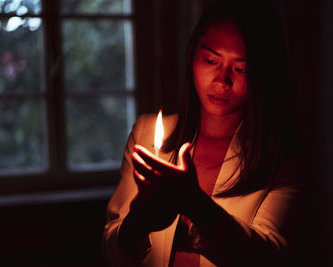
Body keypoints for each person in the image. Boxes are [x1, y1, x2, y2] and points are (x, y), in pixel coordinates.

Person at [103, 1, 300, 266]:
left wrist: (197, 205)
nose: (222, 80)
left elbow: (270, 256)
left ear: (262, 75)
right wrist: (139, 220)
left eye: (240, 68)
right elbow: (111, 251)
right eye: (211, 60)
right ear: (191, 56)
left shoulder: (276, 157)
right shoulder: (147, 135)